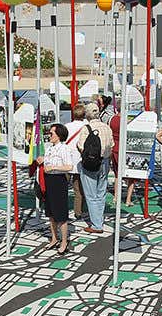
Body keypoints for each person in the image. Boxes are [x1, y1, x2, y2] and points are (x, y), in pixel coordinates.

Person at [35, 123, 80, 253]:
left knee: (60, 214)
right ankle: (54, 238)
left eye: (52, 133)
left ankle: (64, 241)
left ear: (59, 135)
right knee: (50, 212)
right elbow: (49, 162)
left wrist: (53, 167)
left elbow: (69, 166)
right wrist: (43, 160)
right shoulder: (50, 148)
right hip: (48, 180)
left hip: (58, 181)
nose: (49, 135)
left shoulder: (64, 149)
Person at [73, 102, 114, 233]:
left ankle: (96, 224)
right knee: (101, 193)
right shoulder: (107, 128)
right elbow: (111, 145)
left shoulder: (86, 128)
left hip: (90, 164)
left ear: (88, 115)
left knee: (91, 194)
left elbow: (80, 146)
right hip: (105, 161)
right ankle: (99, 219)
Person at [65, 103, 87, 219]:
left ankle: (62, 209)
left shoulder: (67, 126)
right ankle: (78, 212)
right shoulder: (87, 126)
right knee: (79, 190)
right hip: (80, 160)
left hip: (67, 160)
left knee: (63, 188)